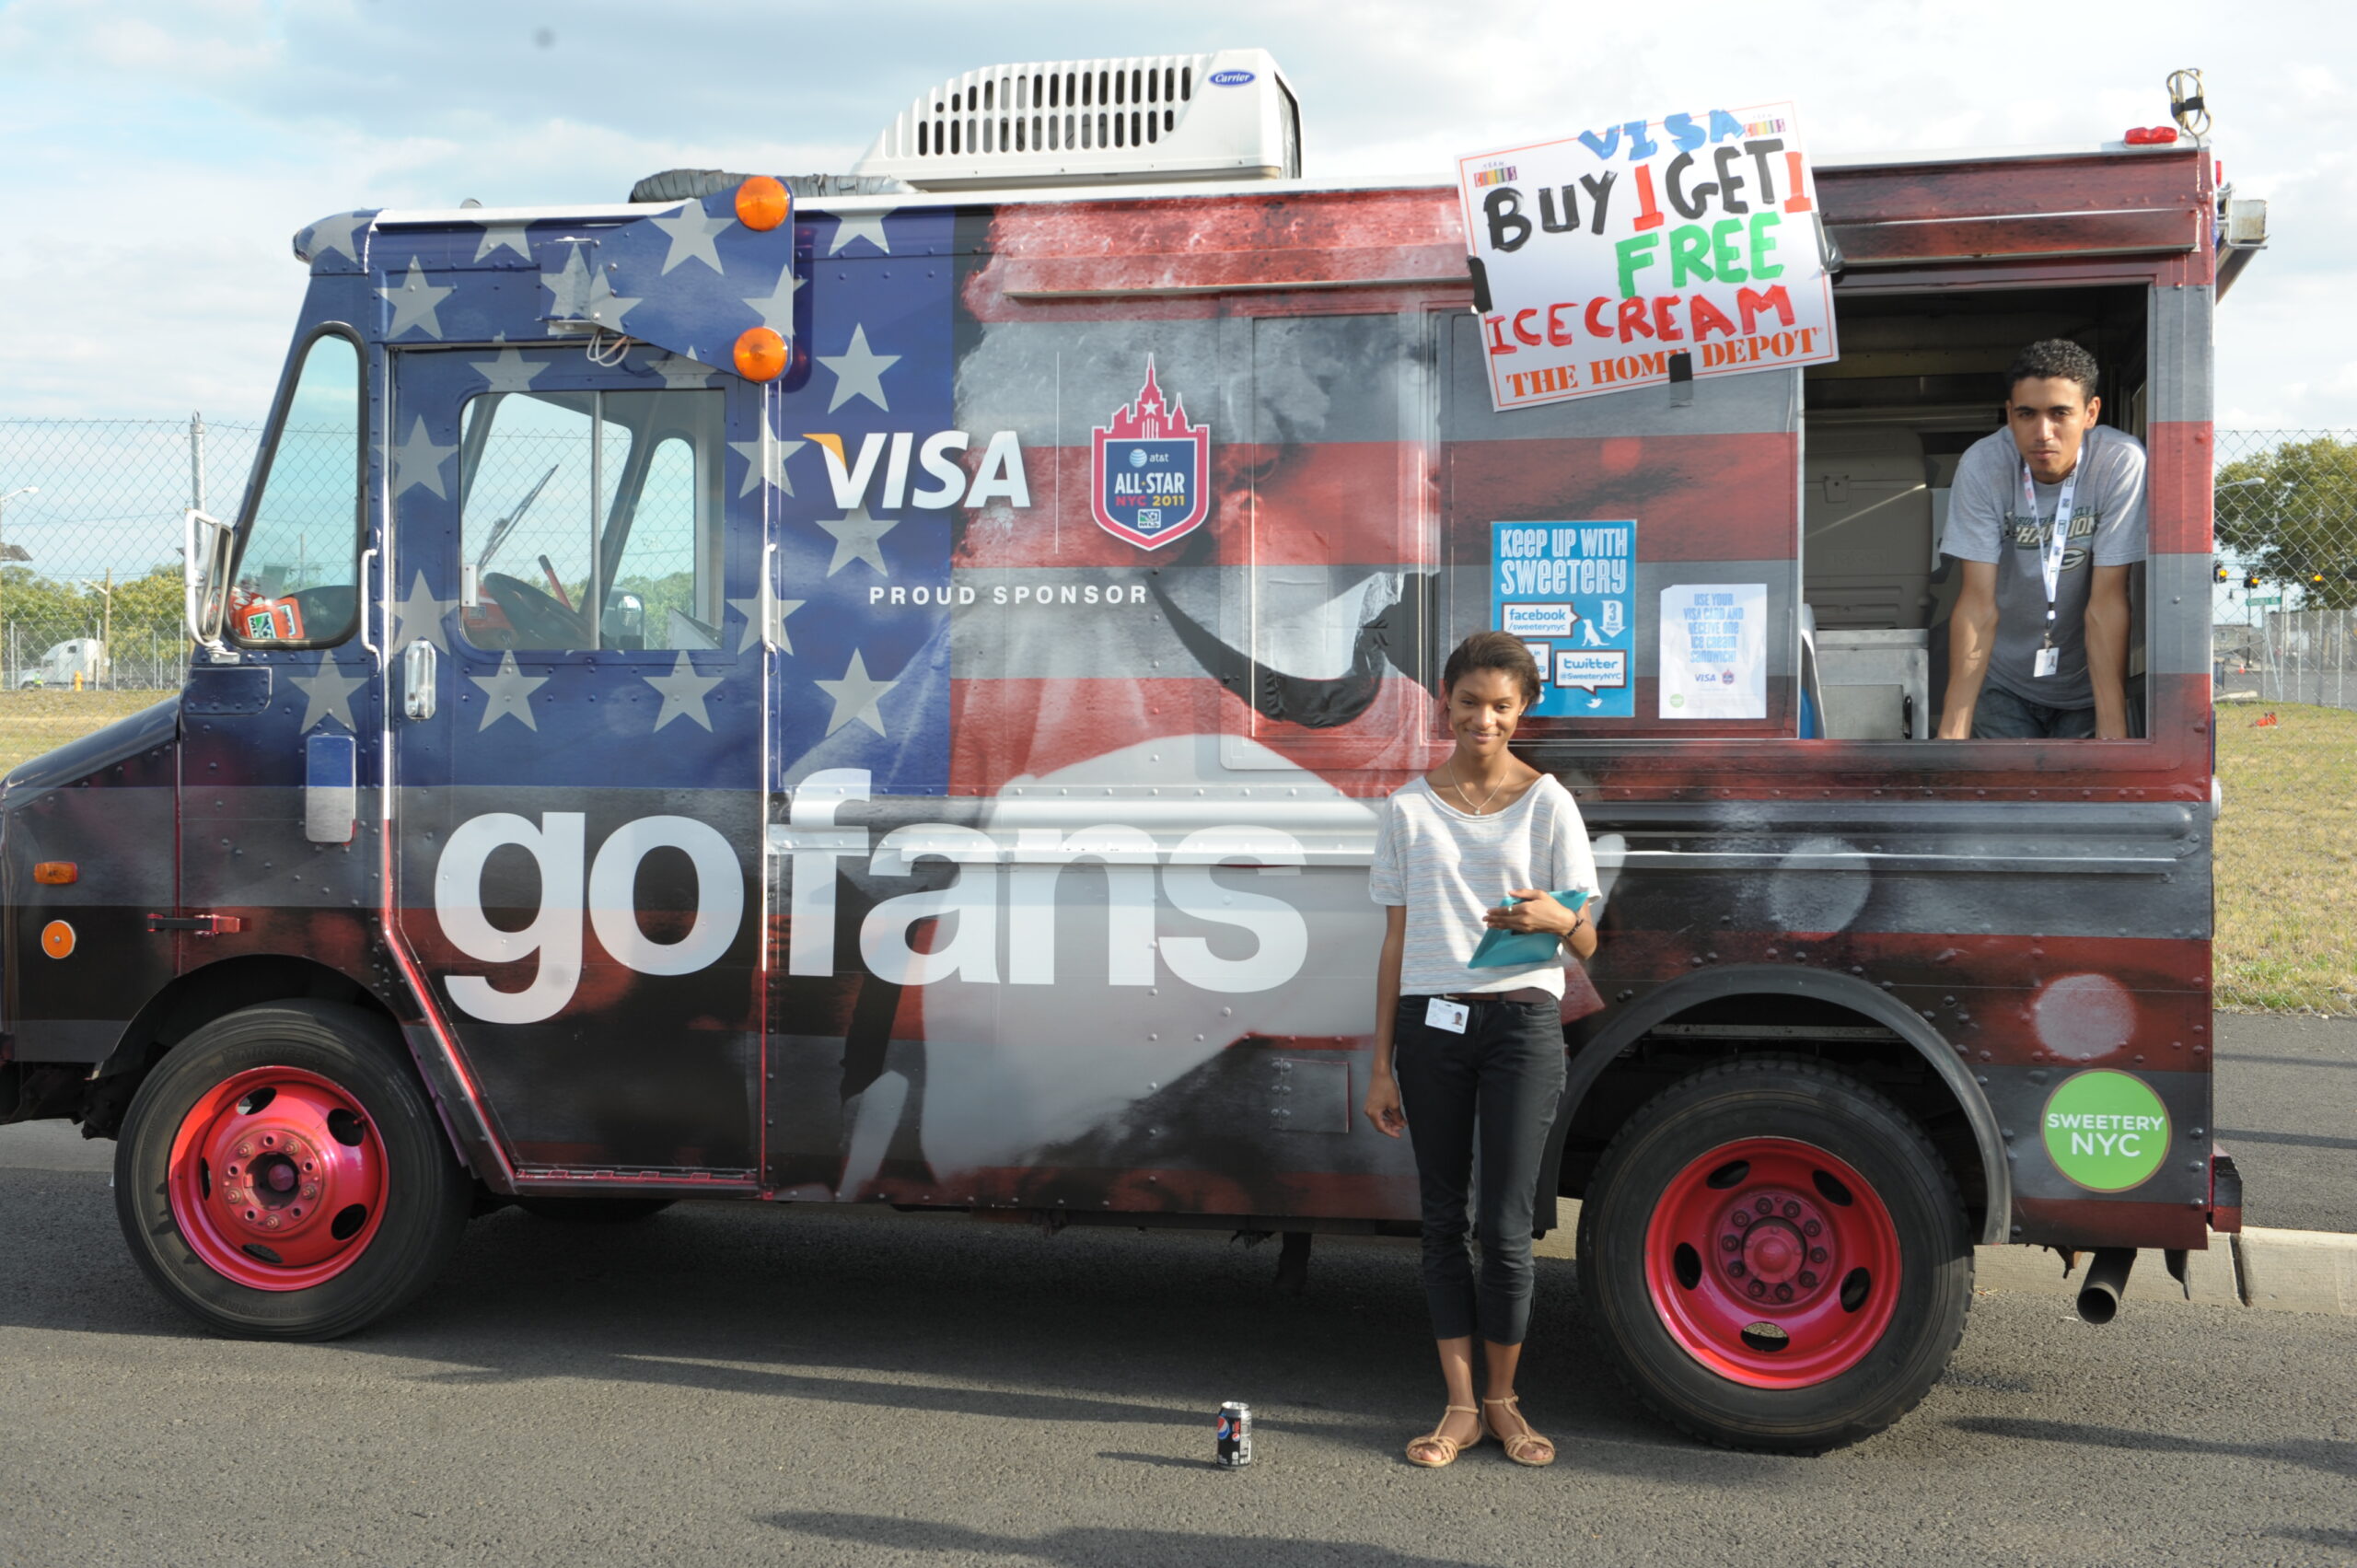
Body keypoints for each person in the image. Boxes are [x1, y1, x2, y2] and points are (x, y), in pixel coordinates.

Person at [1364, 631, 1600, 1469]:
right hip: (1430, 1026)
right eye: (1469, 702)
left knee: (1504, 1226)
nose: (1484, 719)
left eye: (1502, 705)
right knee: (1441, 1220)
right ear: (1446, 702)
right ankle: (1460, 1406)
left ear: (1523, 708)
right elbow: (1395, 943)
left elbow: (1589, 941)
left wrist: (1558, 918)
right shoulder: (1406, 808)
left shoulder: (1549, 803)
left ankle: (1505, 1400)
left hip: (1522, 1026)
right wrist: (1381, 1064)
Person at [1937, 338, 2148, 739]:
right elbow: (1977, 605)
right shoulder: (1983, 463)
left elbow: (2107, 601)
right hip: (2003, 681)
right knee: (2004, 783)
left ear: (2090, 413)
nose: (2042, 432)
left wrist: (2113, 733)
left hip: (2087, 686)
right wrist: (1951, 735)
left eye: (2060, 413)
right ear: (2009, 415)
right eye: (2027, 414)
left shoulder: (2119, 462)